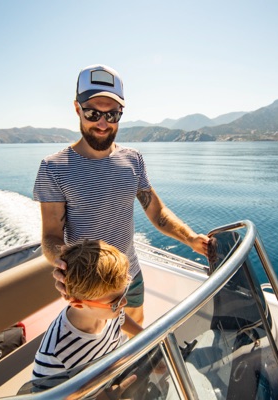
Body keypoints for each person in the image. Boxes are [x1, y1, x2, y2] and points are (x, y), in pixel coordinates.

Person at [33, 64, 210, 327]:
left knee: (135, 328)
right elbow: (51, 237)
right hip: (89, 285)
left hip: (130, 273)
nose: (103, 123)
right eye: (93, 113)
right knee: (95, 341)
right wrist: (63, 263)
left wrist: (192, 239)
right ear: (77, 109)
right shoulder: (54, 168)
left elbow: (157, 213)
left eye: (112, 114)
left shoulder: (133, 160)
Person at [32, 239, 142, 382]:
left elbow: (120, 319)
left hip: (111, 371)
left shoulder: (110, 311)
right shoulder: (57, 352)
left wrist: (146, 336)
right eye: (115, 302)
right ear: (77, 304)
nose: (124, 303)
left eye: (124, 292)